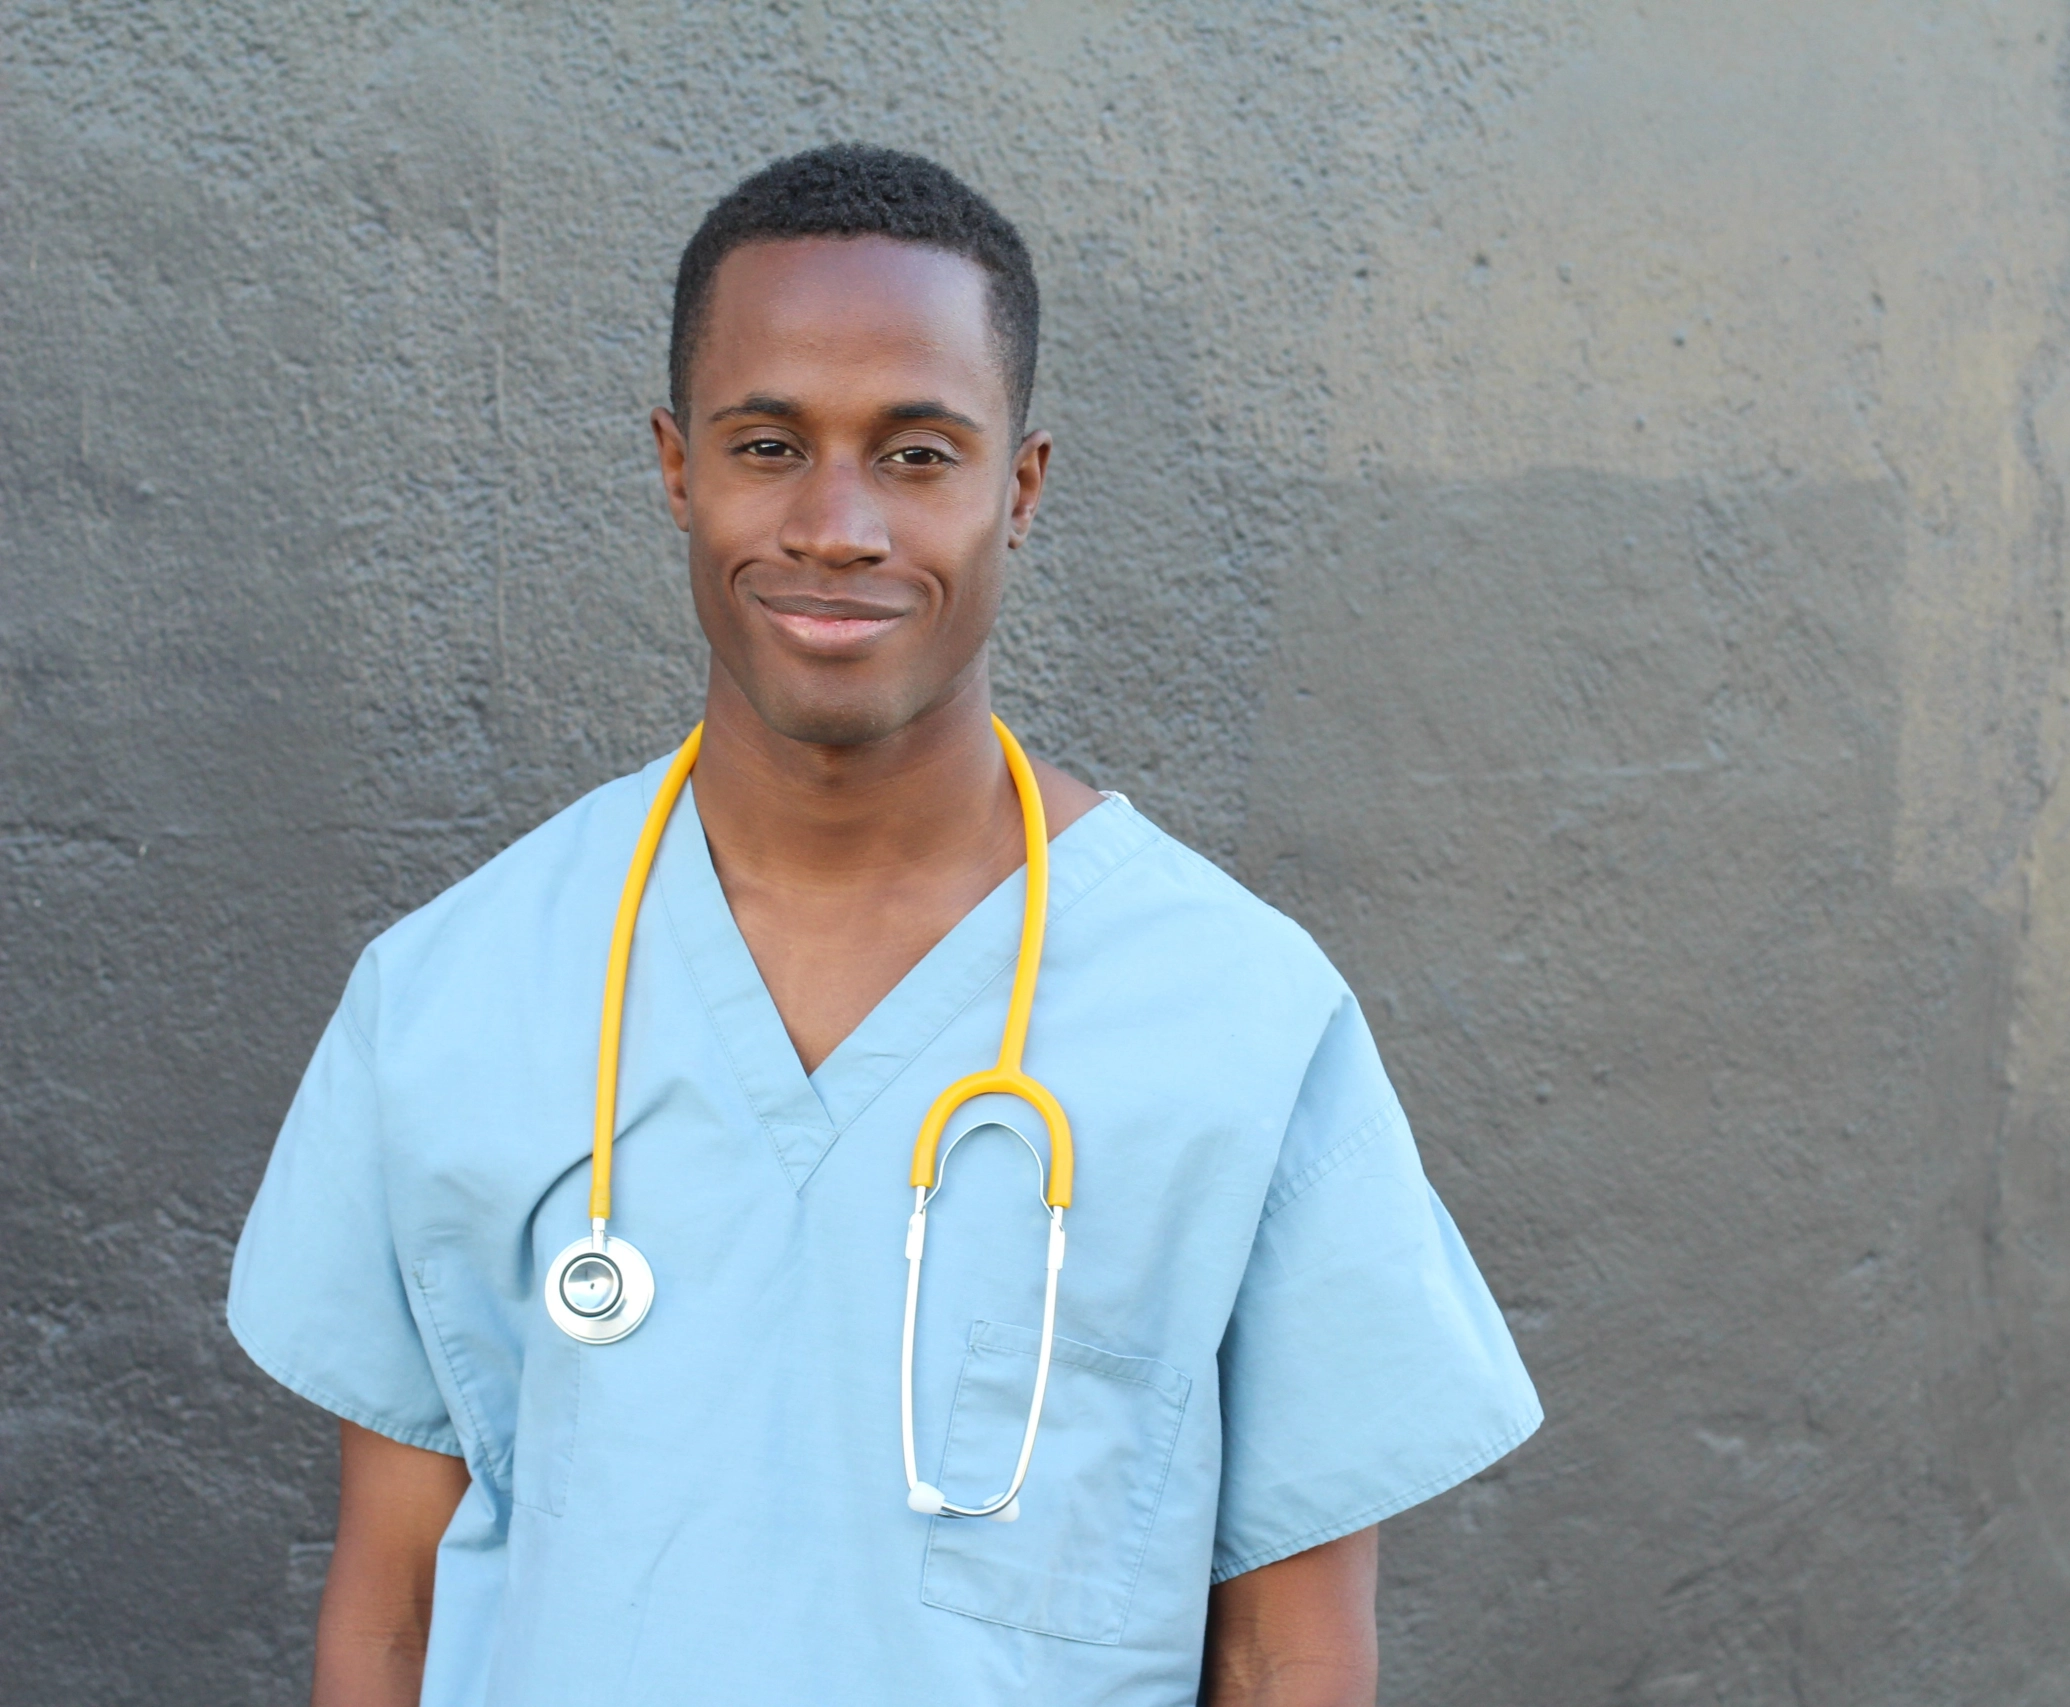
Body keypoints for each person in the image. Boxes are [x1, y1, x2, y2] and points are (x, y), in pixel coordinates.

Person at [228, 143, 1540, 1707]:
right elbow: (391, 1613)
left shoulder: (1241, 1018)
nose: (837, 522)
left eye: (918, 454)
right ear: (675, 467)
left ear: (1020, 488)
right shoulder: (454, 994)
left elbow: (1288, 1653)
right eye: (767, 444)